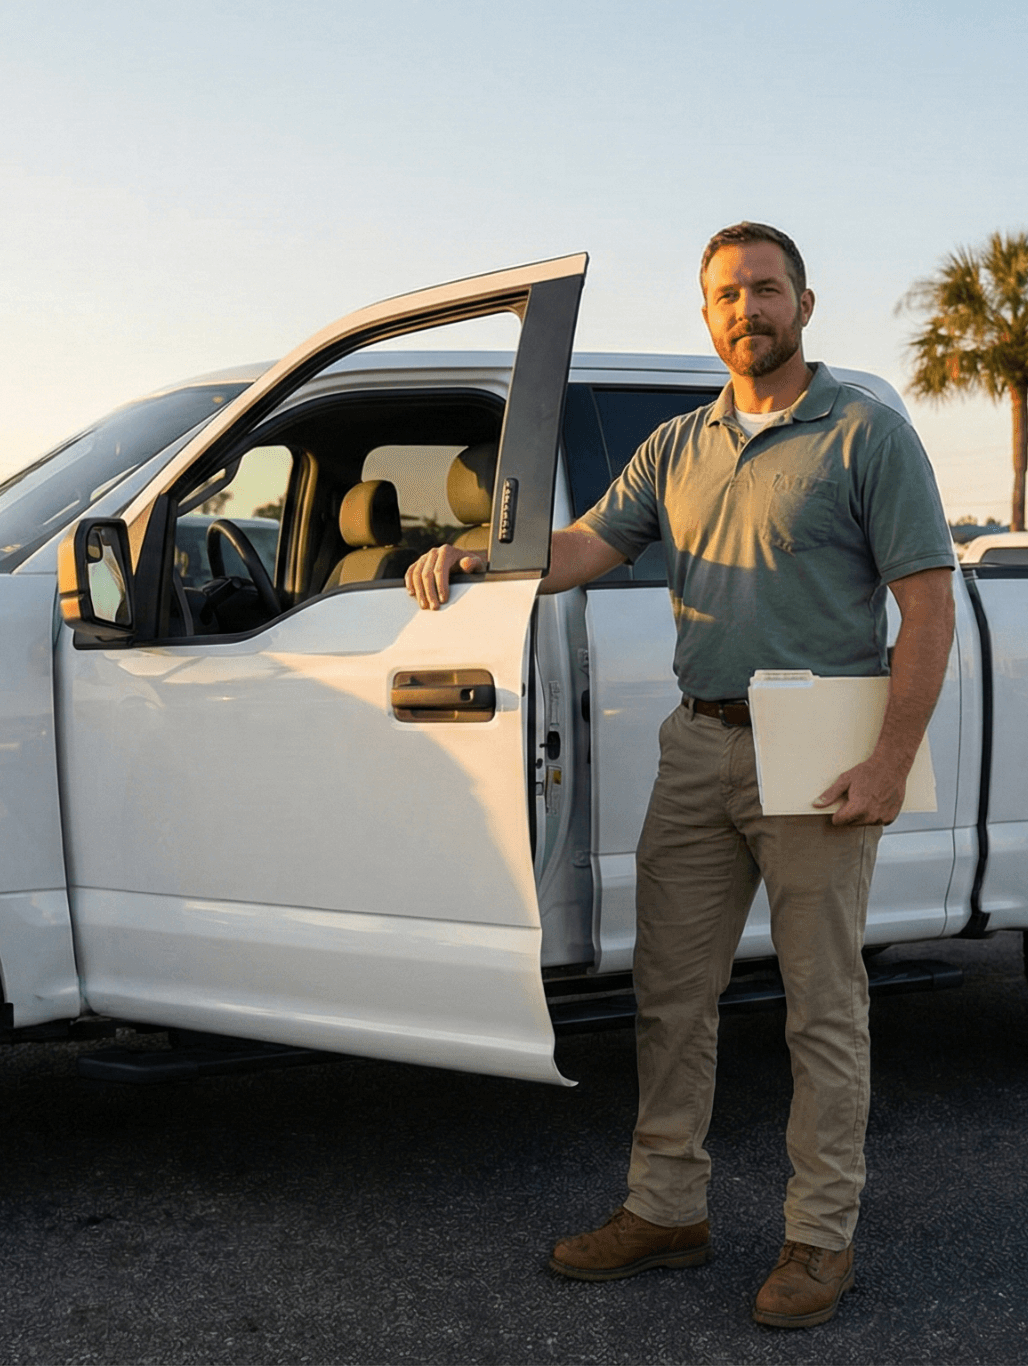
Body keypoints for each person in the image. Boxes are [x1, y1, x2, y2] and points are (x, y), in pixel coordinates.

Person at [406, 222, 956, 1329]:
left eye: (763, 290)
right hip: (699, 739)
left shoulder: (863, 434)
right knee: (669, 993)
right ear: (702, 316)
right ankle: (665, 1209)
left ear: (802, 302)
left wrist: (891, 759)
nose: (744, 309)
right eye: (724, 294)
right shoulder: (675, 446)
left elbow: (926, 606)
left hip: (819, 738)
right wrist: (475, 553)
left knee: (820, 1006)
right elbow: (583, 550)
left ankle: (817, 1236)